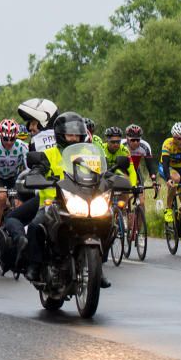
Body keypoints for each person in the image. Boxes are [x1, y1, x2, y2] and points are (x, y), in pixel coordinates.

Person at [21, 112, 110, 288]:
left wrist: (115, 178)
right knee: (35, 227)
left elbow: (105, 173)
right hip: (54, 202)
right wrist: (36, 176)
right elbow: (37, 169)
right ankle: (35, 265)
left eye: (77, 134)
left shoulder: (89, 154)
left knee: (108, 221)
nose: (74, 138)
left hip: (84, 200)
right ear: (60, 135)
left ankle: (98, 267)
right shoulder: (49, 154)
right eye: (70, 134)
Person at [0, 118, 29, 230]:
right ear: (0, 136)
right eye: (5, 138)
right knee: (1, 197)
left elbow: (28, 168)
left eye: (12, 139)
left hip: (14, 177)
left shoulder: (22, 146)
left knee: (19, 202)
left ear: (16, 136)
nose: (9, 142)